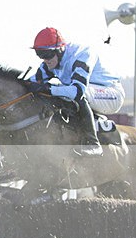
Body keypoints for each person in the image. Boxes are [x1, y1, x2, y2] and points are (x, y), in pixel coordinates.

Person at [27, 27, 125, 156]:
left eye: (47, 55)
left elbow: (77, 91)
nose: (45, 60)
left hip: (111, 94)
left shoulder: (81, 55)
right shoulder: (50, 63)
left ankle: (93, 143)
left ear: (60, 49)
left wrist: (49, 89)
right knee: (58, 94)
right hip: (90, 92)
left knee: (71, 94)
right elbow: (30, 84)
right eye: (40, 55)